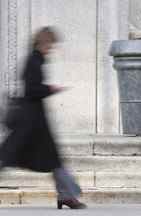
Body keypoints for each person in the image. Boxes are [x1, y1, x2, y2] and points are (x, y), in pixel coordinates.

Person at [0, 27, 87, 209]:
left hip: (34, 120)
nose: (52, 49)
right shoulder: (34, 61)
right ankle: (67, 195)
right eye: (50, 45)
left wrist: (47, 89)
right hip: (31, 121)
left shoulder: (36, 59)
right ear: (43, 43)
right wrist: (50, 89)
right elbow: (31, 90)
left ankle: (67, 196)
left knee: (50, 160)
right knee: (9, 157)